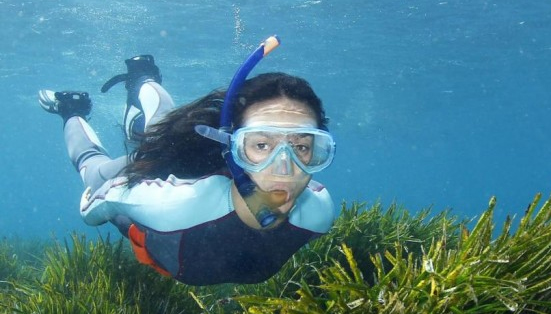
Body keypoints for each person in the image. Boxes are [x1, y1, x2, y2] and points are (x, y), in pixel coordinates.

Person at [38, 37, 335, 286]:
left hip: (189, 175)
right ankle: (73, 108)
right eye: (260, 145)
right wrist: (93, 208)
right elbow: (100, 200)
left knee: (158, 129)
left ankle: (141, 87)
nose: (284, 170)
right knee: (98, 168)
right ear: (232, 146)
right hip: (154, 192)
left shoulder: (319, 211)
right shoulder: (171, 205)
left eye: (302, 147)